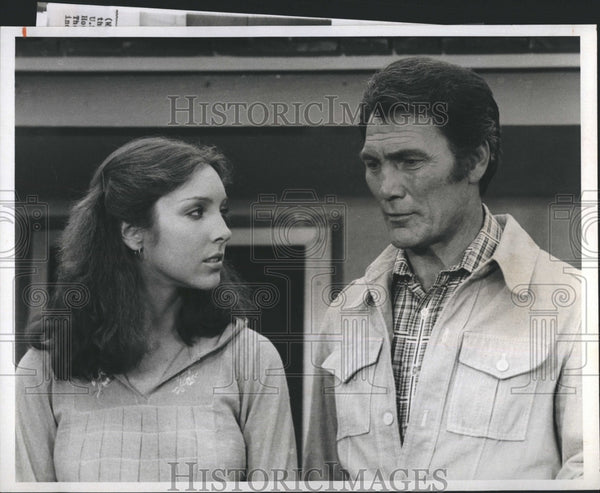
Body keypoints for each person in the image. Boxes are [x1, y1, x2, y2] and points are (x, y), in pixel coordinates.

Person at [303, 57, 582, 481]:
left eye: (410, 161)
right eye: (374, 164)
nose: (388, 188)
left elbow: (587, 473)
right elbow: (319, 477)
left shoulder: (571, 305)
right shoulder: (346, 315)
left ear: (475, 162)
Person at [16, 137, 297, 482]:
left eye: (222, 211)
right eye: (196, 212)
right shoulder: (45, 368)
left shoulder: (251, 359)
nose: (224, 231)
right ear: (134, 233)